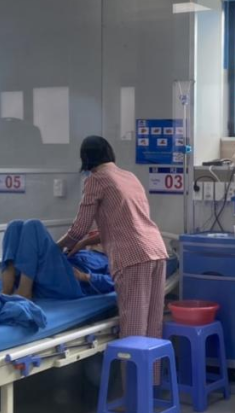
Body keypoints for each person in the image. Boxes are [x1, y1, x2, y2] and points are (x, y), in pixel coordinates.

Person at [58, 136, 169, 341]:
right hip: (156, 249)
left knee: (134, 329)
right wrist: (84, 243)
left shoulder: (96, 179)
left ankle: (133, 363)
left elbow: (79, 228)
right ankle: (153, 364)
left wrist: (57, 247)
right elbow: (128, 223)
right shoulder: (129, 177)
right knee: (153, 326)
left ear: (85, 157)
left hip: (133, 257)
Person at [0, 219, 114, 301]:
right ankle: (7, 288)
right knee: (15, 225)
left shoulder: (111, 261)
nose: (98, 242)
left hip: (71, 284)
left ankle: (24, 292)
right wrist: (62, 250)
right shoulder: (81, 252)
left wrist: (84, 276)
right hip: (52, 276)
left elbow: (116, 282)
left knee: (34, 225)